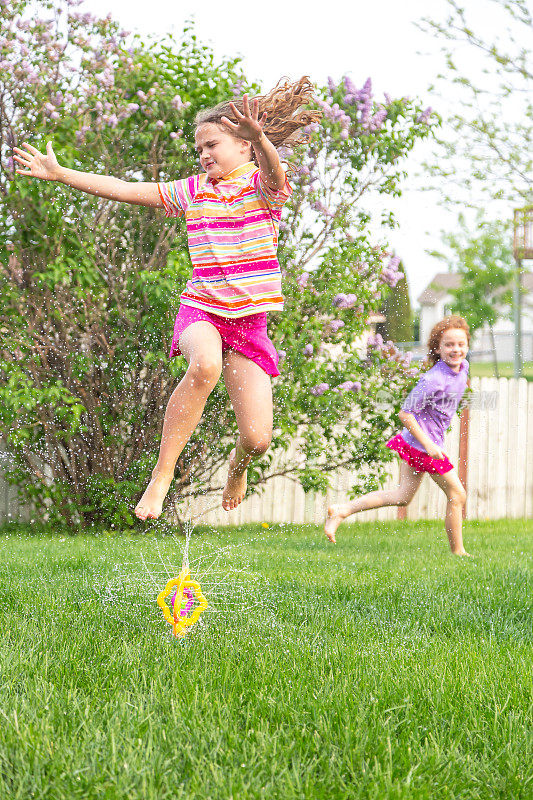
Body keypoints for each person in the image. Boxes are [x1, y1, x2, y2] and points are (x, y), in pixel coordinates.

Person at [13, 78, 321, 520]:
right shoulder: (193, 191)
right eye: (199, 149)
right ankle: (161, 476)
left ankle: (238, 468)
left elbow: (275, 176)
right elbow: (123, 188)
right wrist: (63, 175)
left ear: (244, 145)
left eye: (212, 144)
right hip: (203, 309)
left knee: (257, 439)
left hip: (249, 321)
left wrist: (265, 143)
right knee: (205, 364)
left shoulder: (261, 188)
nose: (204, 154)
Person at [325, 316, 471, 555]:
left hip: (419, 443)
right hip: (423, 446)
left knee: (402, 496)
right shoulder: (432, 379)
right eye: (449, 345)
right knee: (457, 494)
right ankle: (458, 552)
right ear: (437, 348)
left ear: (467, 345)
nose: (456, 350)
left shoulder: (462, 368)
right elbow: (405, 414)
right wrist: (430, 445)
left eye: (461, 344)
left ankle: (342, 510)